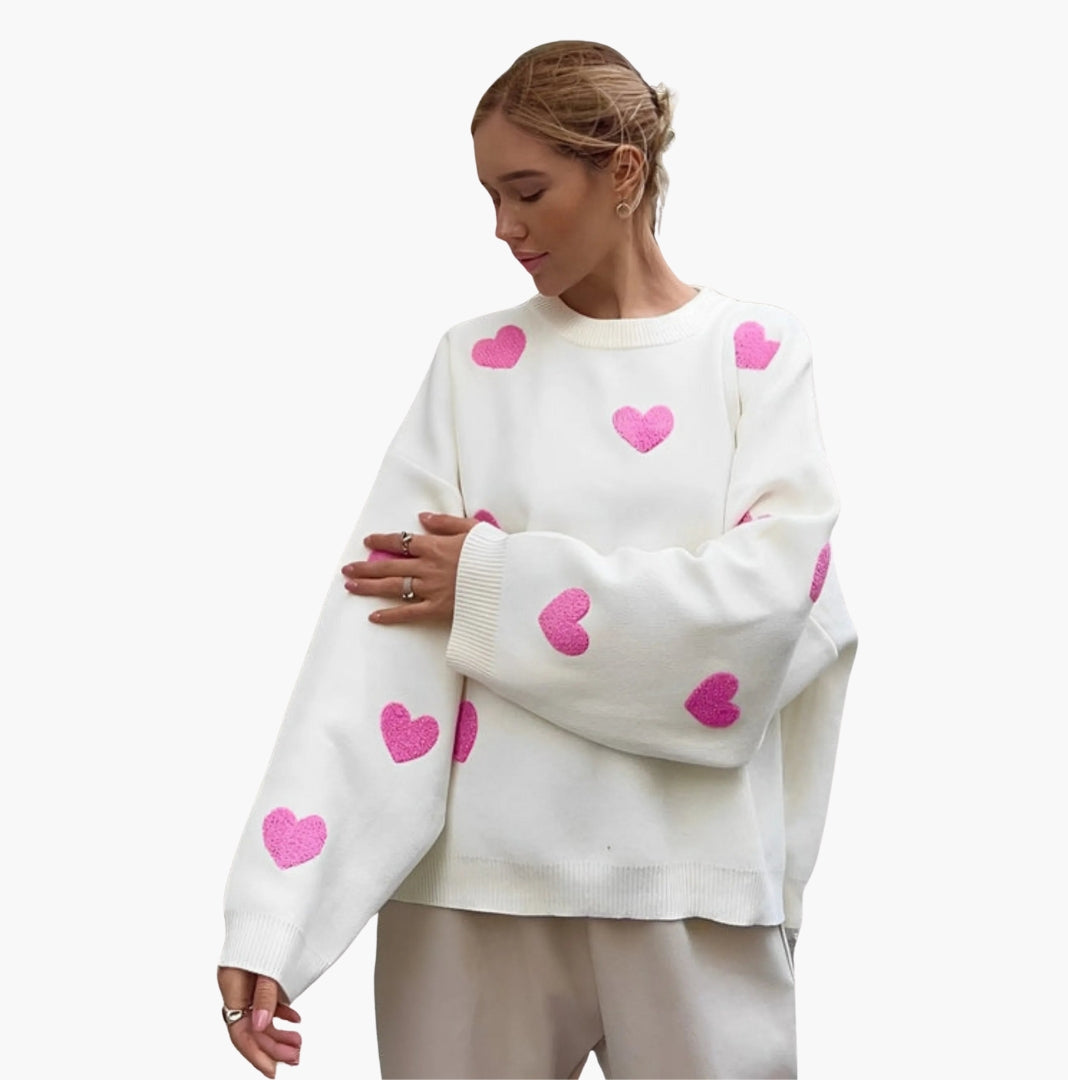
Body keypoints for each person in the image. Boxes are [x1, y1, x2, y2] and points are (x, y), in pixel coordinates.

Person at [217, 39, 858, 1080]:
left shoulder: (753, 354)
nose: (504, 227)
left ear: (623, 174)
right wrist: (275, 915)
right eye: (490, 197)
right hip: (472, 894)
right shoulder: (474, 366)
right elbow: (375, 639)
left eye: (527, 191)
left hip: (692, 887)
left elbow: (762, 618)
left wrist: (490, 585)